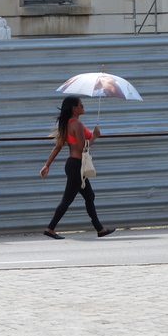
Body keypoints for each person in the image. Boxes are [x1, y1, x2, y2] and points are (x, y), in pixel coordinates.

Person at [40, 95, 114, 240]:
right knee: (67, 199)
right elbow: (81, 147)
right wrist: (95, 136)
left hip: (72, 164)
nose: (83, 106)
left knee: (89, 196)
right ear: (74, 108)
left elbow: (58, 147)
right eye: (81, 104)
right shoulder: (76, 124)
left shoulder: (66, 123)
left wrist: (47, 164)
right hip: (77, 165)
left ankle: (100, 229)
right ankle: (50, 228)